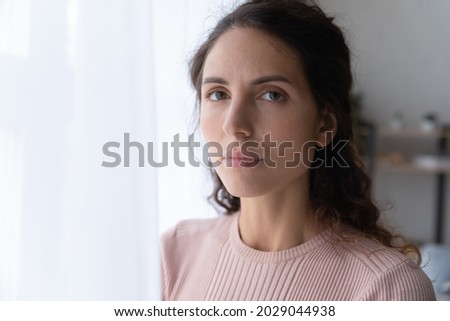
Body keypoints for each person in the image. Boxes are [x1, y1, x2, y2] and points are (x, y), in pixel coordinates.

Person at [160, 0, 436, 300]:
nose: (234, 124)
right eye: (218, 94)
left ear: (323, 125)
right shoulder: (174, 253)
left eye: (271, 95)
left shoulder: (387, 288)